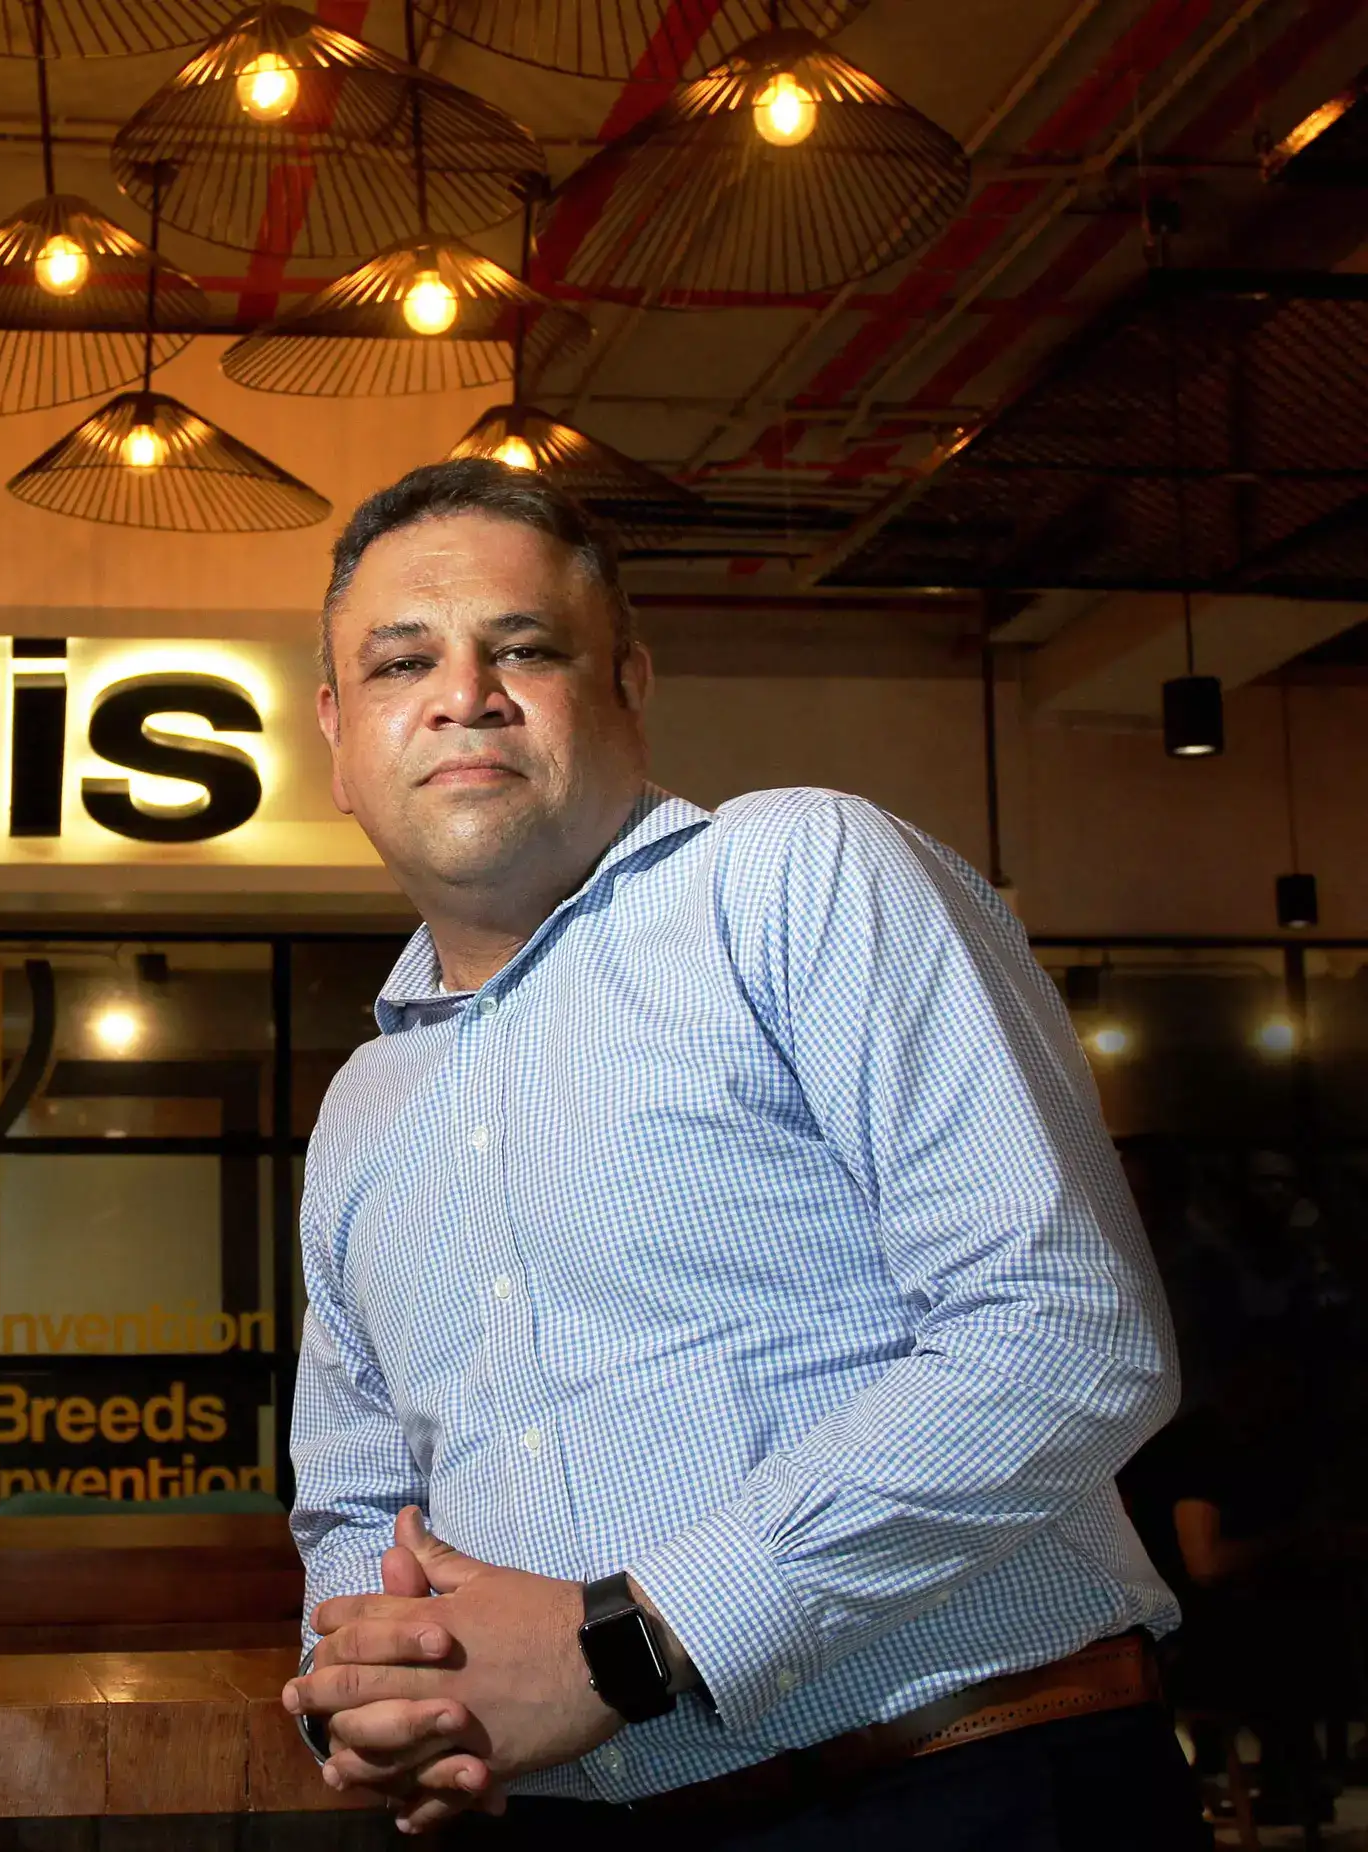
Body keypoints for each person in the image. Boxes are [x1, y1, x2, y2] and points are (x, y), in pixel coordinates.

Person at [278, 459, 1201, 1848]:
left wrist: (634, 1643)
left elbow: (1065, 1329)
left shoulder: (791, 875)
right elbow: (354, 1502)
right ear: (339, 736)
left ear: (629, 684)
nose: (466, 694)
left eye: (525, 648)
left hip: (954, 1786)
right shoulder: (364, 1107)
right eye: (404, 663)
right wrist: (365, 1690)